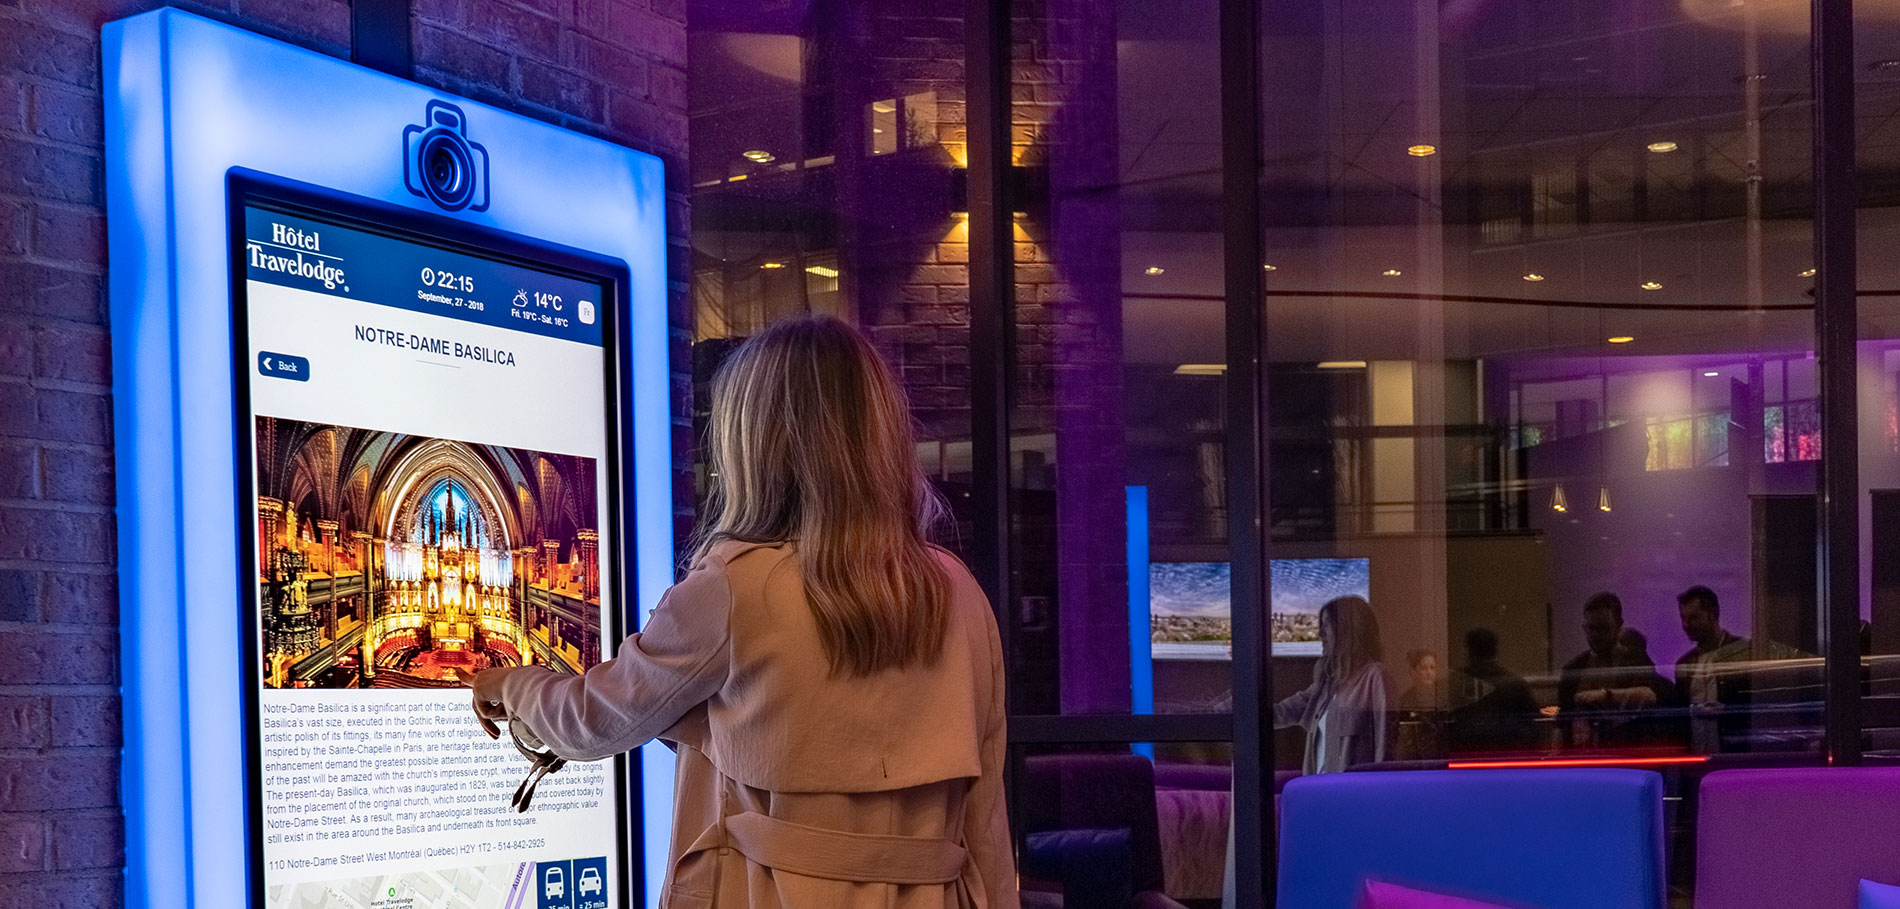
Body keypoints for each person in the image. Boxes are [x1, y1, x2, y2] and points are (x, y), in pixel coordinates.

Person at [470, 316, 1017, 908]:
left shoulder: (736, 587)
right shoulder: (960, 593)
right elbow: (986, 821)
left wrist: (511, 685)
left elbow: (595, 720)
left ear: (753, 442)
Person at [1272, 595, 1390, 773]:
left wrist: (1379, 787)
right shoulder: (1326, 684)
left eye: (1326, 624)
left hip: (1352, 790)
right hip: (1319, 788)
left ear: (1346, 629)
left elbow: (1384, 748)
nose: (1320, 633)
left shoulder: (1375, 677)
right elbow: (1281, 713)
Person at [1556, 592, 1669, 748]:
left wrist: (1604, 695)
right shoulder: (1573, 669)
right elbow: (1563, 724)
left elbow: (1649, 697)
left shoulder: (1636, 661)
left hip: (1626, 751)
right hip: (1588, 753)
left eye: (1603, 628)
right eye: (1591, 628)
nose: (1595, 635)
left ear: (1619, 625)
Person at [1673, 585, 1751, 755]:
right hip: (1697, 757)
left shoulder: (1743, 653)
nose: (1686, 625)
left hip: (1733, 755)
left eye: (1693, 618)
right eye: (1683, 618)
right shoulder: (1684, 663)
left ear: (1713, 615)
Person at [1450, 627, 1540, 753]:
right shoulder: (1513, 683)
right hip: (1507, 750)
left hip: (1468, 751)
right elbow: (1533, 718)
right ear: (1495, 650)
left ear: (1469, 651)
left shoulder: (1457, 682)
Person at [1395, 649, 1446, 760]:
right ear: (1413, 672)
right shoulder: (1405, 701)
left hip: (1442, 759)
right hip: (1415, 760)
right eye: (1424, 668)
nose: (1429, 672)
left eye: (1432, 668)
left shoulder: (1444, 699)